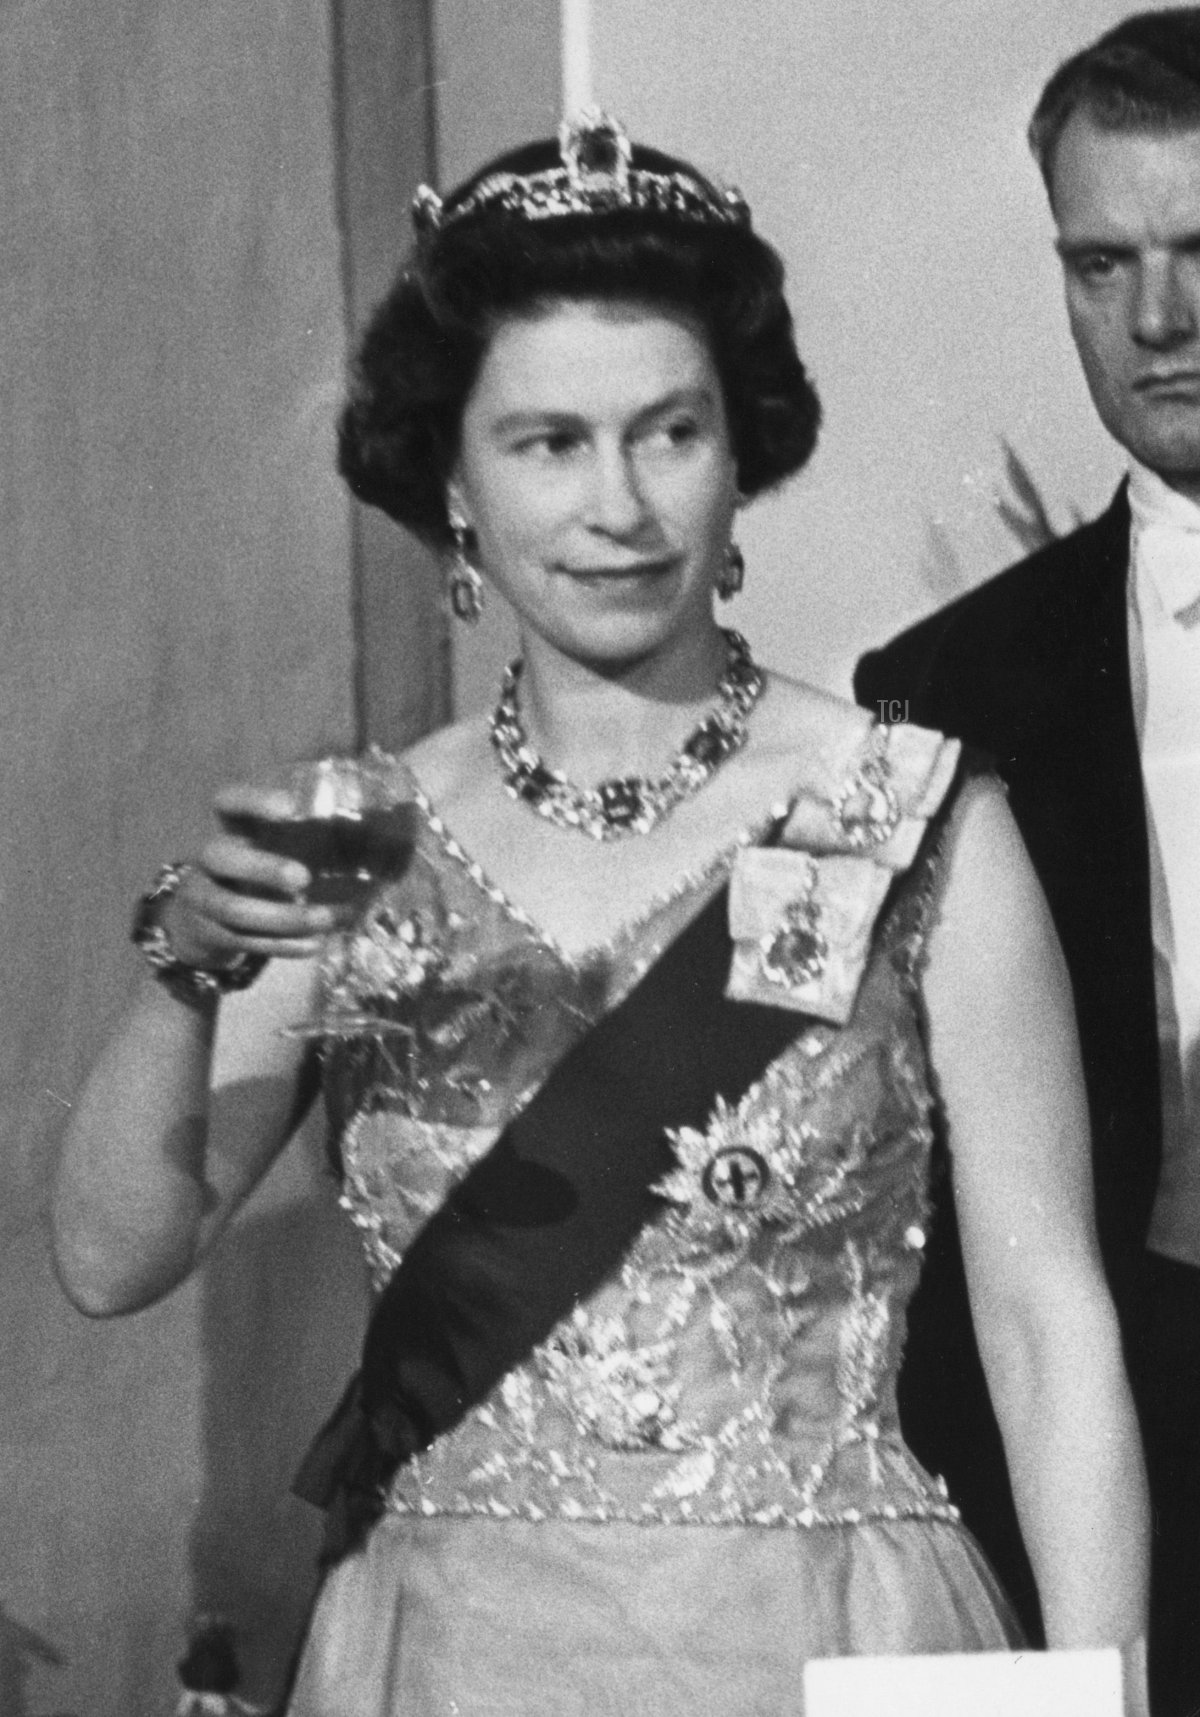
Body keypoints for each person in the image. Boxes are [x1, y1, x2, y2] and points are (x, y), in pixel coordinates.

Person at [53, 116, 1148, 1715]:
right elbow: (107, 1255)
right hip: (446, 1652)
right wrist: (183, 967)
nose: (620, 505)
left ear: (740, 447)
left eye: (671, 432)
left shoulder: (903, 814)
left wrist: (1103, 1693)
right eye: (550, 442)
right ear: (452, 478)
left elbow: (1053, 1332)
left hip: (834, 1632)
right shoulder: (353, 841)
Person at [855, 12, 1200, 1712]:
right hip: (1070, 1436)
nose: (1160, 320)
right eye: (1102, 261)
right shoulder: (941, 686)